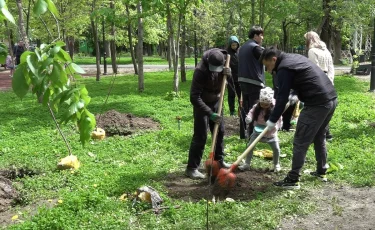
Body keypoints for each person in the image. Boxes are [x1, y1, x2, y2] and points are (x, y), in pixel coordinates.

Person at [260, 47, 337, 189]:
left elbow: (281, 97)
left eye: (267, 66)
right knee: (319, 136)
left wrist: (272, 119)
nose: (268, 70)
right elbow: (304, 76)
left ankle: (293, 179)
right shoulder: (294, 58)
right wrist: (295, 94)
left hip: (317, 104)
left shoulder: (283, 68)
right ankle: (321, 170)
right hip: (331, 99)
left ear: (274, 60)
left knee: (300, 141)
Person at [185, 48, 232, 179]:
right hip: (202, 104)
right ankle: (192, 168)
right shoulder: (200, 71)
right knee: (201, 135)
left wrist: (229, 74)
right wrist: (210, 113)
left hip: (217, 100)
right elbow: (194, 97)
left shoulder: (225, 60)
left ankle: (219, 161)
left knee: (220, 131)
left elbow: (226, 81)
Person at [238, 87, 283, 172]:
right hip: (257, 131)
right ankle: (247, 164)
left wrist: (276, 126)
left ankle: (276, 165)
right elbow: (251, 112)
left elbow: (279, 119)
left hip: (271, 133)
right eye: (262, 104)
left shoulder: (275, 109)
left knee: (276, 149)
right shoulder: (256, 107)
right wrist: (249, 118)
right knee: (250, 147)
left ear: (270, 103)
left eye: (266, 105)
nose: (264, 106)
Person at [304, 31, 335, 141]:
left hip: (319, 81)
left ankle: (318, 134)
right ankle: (327, 133)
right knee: (327, 106)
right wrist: (330, 80)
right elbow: (331, 67)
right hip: (328, 80)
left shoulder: (312, 51)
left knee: (318, 108)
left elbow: (314, 69)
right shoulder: (325, 50)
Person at [238, 25, 265, 139]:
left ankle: (242, 133)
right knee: (254, 108)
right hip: (254, 81)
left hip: (243, 80)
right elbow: (266, 59)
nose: (262, 38)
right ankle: (252, 134)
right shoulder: (255, 47)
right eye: (261, 35)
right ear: (255, 35)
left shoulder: (243, 47)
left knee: (245, 106)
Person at [226, 35, 241, 117]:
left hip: (240, 77)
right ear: (230, 45)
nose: (234, 46)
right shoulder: (227, 53)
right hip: (231, 77)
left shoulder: (240, 52)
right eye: (232, 45)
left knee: (240, 95)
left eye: (235, 45)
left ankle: (241, 110)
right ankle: (232, 111)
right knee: (231, 95)